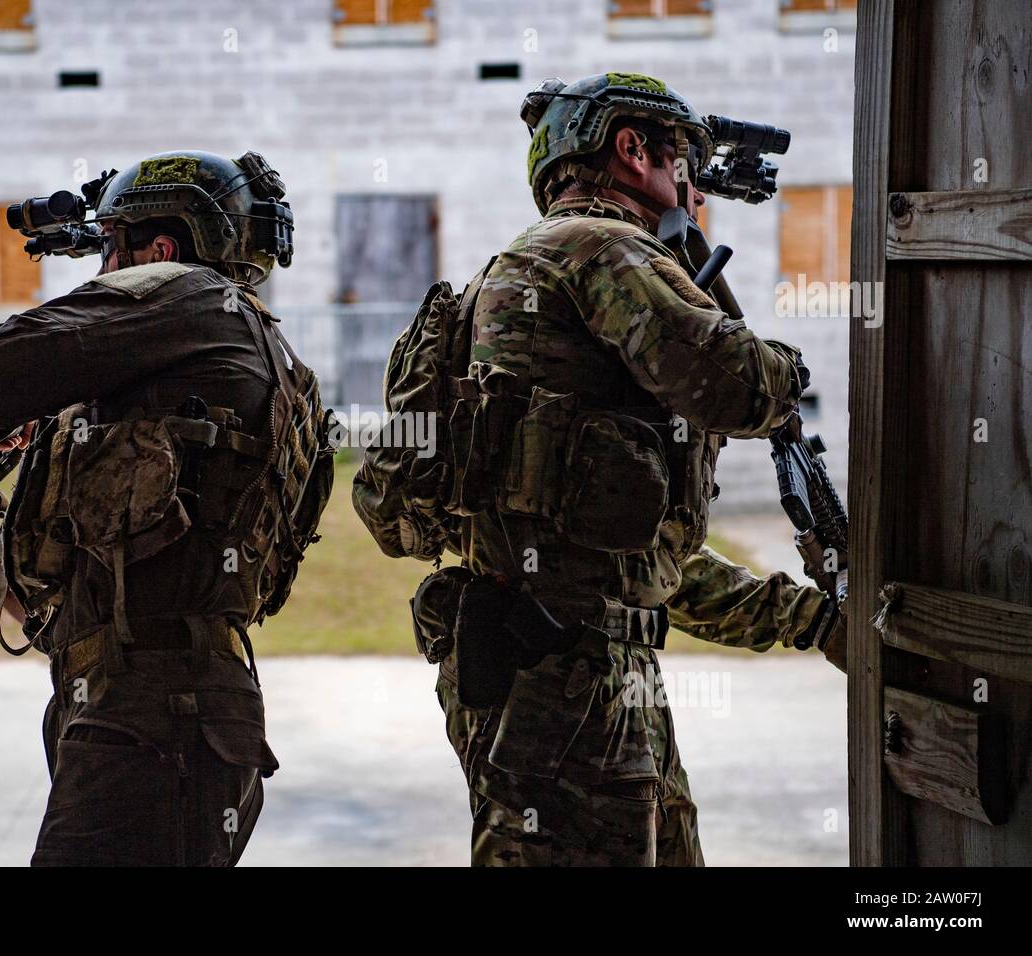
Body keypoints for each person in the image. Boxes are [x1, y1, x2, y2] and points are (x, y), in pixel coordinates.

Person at [360, 73, 845, 866]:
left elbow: (633, 568)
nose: (692, 188)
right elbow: (741, 385)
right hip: (572, 694)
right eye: (682, 161)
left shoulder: (516, 272)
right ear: (629, 150)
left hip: (568, 672)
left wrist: (806, 620)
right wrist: (788, 368)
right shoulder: (601, 250)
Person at [0, 149, 333, 866]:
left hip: (152, 728)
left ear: (159, 252)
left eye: (110, 253)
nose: (101, 276)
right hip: (155, 718)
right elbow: (99, 609)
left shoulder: (186, 296)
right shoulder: (231, 355)